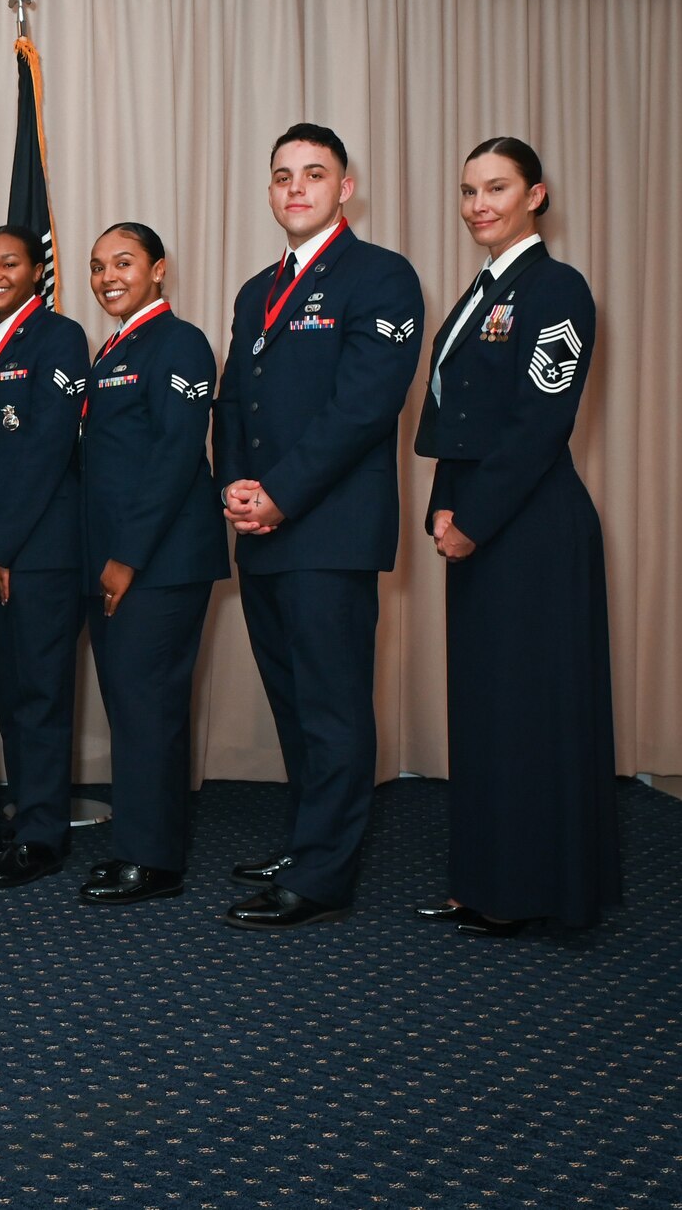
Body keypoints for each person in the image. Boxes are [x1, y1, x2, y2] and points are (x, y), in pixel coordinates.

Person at [212, 122, 424, 929]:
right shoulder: (256, 288)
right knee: (294, 702)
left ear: (346, 186)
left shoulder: (381, 277)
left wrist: (281, 493)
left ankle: (326, 873)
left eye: (313, 173)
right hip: (262, 527)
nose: (296, 187)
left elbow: (364, 406)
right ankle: (310, 840)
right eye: (282, 176)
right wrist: (235, 481)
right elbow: (234, 400)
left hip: (328, 530)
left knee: (333, 707)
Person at [411, 136, 619, 936]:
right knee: (487, 711)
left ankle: (533, 889)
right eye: (468, 191)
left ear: (536, 194)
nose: (479, 205)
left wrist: (475, 519)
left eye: (496, 188)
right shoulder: (480, 292)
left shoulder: (556, 288)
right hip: (480, 521)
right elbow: (456, 415)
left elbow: (539, 423)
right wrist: (442, 501)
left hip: (532, 527)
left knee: (531, 713)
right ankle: (484, 880)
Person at [75, 223, 228, 906]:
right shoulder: (114, 348)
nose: (109, 275)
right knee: (132, 707)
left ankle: (155, 860)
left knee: (151, 706)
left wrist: (126, 559)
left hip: (158, 564)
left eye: (125, 262)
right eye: (98, 265)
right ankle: (137, 845)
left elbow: (174, 457)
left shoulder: (180, 343)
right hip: (120, 561)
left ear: (158, 270)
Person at [0, 225, 87, 887]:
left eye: (9, 262)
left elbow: (46, 450)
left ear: (38, 269)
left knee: (39, 693)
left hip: (35, 553)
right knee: (10, 691)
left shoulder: (57, 337)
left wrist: (2, 548)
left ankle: (43, 836)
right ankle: (29, 811)